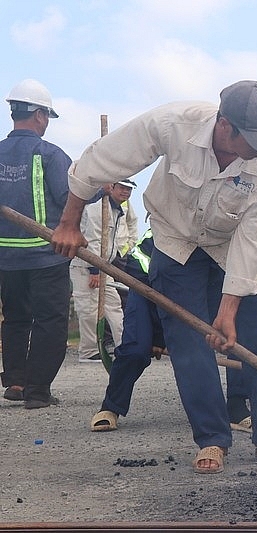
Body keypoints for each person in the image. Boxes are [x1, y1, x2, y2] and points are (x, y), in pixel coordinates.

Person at [51, 80, 257, 473]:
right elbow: (97, 162)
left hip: (231, 241)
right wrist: (69, 223)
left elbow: (252, 238)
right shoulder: (172, 124)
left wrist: (228, 308)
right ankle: (212, 439)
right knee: (188, 341)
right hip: (176, 240)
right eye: (254, 137)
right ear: (225, 125)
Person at [0, 79, 72, 409]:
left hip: (6, 259)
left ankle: (15, 380)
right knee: (51, 321)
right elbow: (69, 195)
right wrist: (101, 187)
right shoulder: (50, 154)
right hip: (47, 256)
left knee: (15, 318)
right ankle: (37, 391)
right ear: (40, 115)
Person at [89, 229, 167, 431]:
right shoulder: (156, 234)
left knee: (196, 356)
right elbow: (138, 263)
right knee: (135, 350)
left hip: (194, 296)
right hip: (147, 290)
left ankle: (235, 406)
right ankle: (110, 407)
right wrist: (157, 335)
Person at [69, 179, 137, 362]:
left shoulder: (117, 209)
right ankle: (89, 352)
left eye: (129, 189)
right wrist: (94, 270)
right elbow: (92, 238)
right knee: (88, 310)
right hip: (86, 267)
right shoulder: (97, 207)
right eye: (122, 187)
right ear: (111, 187)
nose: (126, 192)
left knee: (114, 306)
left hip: (105, 267)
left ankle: (125, 345)